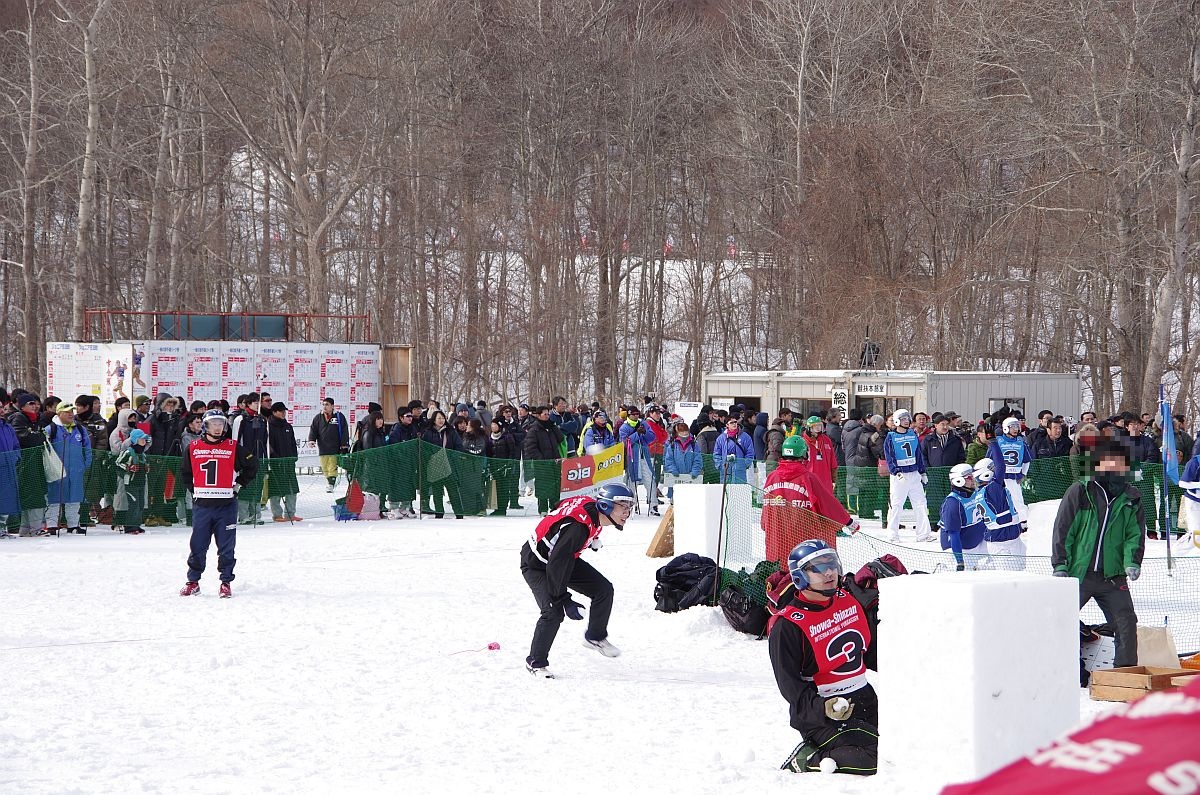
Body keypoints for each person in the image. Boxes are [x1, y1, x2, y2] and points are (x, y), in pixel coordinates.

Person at [769, 539, 878, 775]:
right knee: (876, 759)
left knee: (905, 745)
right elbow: (792, 691)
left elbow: (871, 652)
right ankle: (808, 759)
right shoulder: (787, 627)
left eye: (831, 563)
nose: (828, 572)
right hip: (824, 714)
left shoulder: (849, 600)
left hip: (865, 698)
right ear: (799, 576)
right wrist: (823, 709)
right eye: (817, 567)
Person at [520, 483, 634, 678]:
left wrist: (588, 540)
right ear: (605, 506)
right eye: (622, 506)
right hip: (537, 564)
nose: (627, 512)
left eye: (629, 507)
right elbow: (556, 566)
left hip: (561, 555)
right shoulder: (578, 529)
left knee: (603, 589)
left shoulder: (592, 510)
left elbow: (562, 504)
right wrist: (564, 600)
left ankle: (595, 637)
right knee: (553, 612)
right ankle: (535, 662)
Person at [1051, 442, 1146, 667]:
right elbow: (1063, 528)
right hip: (1078, 572)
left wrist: (1132, 561)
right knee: (1061, 620)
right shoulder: (1081, 490)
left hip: (1112, 576)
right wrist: (1060, 564)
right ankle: (1066, 670)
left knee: (1126, 622)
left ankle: (1125, 674)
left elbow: (1135, 533)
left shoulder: (1132, 497)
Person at [179, 410, 259, 598]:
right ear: (205, 426)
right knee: (198, 545)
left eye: (220, 424)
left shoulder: (233, 447)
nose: (217, 427)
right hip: (202, 506)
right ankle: (193, 581)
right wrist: (196, 490)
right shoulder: (193, 447)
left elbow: (252, 465)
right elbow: (185, 473)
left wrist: (239, 485)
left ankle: (225, 582)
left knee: (226, 546)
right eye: (213, 423)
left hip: (226, 506)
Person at [762, 436, 860, 562]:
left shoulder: (771, 477)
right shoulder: (807, 478)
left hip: (776, 547)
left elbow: (766, 513)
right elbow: (828, 504)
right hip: (803, 549)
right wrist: (848, 522)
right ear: (804, 454)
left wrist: (765, 523)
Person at [883, 409, 932, 543]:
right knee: (897, 505)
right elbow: (889, 456)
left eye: (907, 418)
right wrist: (895, 471)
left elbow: (918, 455)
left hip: (914, 473)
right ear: (897, 420)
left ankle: (923, 533)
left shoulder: (912, 434)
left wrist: (922, 471)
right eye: (903, 418)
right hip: (900, 476)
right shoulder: (891, 437)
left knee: (921, 504)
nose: (907, 421)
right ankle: (893, 534)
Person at [46, 403, 93, 535]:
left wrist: (85, 464)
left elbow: (87, 449)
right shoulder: (51, 429)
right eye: (67, 412)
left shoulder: (80, 429)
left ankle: (73, 524)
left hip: (76, 469)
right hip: (57, 470)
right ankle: (52, 524)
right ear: (59, 413)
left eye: (72, 411)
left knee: (74, 498)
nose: (71, 414)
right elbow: (45, 449)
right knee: (54, 498)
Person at [972, 458, 1027, 570]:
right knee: (1011, 578)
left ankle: (987, 566)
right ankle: (984, 569)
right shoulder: (992, 489)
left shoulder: (986, 490)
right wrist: (993, 443)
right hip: (1003, 543)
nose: (996, 471)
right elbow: (1001, 465)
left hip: (1010, 538)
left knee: (1023, 571)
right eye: (993, 468)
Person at [10, 393, 50, 536]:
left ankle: (26, 529)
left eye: (36, 403)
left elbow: (39, 437)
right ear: (22, 406)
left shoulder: (36, 420)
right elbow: (26, 439)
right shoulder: (19, 418)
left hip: (35, 463)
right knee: (33, 495)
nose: (35, 406)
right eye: (31, 404)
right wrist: (39, 436)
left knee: (35, 494)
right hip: (26, 464)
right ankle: (35, 528)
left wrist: (38, 436)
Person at [938, 464, 991, 571]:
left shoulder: (975, 494)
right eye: (969, 477)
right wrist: (959, 562)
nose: (973, 480)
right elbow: (954, 535)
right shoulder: (953, 504)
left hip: (978, 546)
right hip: (960, 551)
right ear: (959, 481)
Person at [988, 417, 1034, 522]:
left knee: (1017, 499)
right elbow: (989, 460)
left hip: (1014, 477)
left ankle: (1023, 521)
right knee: (998, 499)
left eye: (1017, 426)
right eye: (1012, 426)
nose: (1016, 429)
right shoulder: (998, 441)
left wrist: (1023, 474)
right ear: (1005, 428)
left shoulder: (1021, 442)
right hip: (1000, 477)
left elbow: (1026, 460)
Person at [422, 410, 465, 518]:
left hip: (449, 465)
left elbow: (459, 447)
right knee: (437, 491)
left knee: (453, 490)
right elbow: (424, 449)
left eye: (443, 418)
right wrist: (432, 456)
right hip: (435, 465)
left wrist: (451, 457)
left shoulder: (451, 432)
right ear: (434, 420)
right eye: (439, 418)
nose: (441, 420)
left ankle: (459, 513)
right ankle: (439, 513)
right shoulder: (428, 433)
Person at [618, 406, 660, 515]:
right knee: (632, 480)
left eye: (638, 414)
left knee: (650, 479)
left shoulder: (643, 423)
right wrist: (637, 434)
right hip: (632, 457)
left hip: (644, 456)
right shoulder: (624, 427)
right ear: (629, 415)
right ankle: (633, 505)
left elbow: (652, 437)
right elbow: (625, 443)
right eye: (634, 414)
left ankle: (653, 505)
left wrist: (645, 432)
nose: (636, 416)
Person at [265, 402, 302, 522]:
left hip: (289, 463)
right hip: (276, 463)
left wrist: (294, 457)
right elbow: (268, 445)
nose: (283, 413)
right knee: (276, 490)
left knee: (292, 489)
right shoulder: (268, 426)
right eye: (281, 411)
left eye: (284, 411)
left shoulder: (288, 426)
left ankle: (290, 513)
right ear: (274, 412)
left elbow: (292, 443)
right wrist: (274, 458)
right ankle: (277, 515)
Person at [309, 398, 349, 493]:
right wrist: (311, 440)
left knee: (332, 466)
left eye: (327, 404)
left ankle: (331, 483)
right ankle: (329, 481)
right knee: (325, 467)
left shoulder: (339, 417)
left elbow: (344, 431)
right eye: (323, 404)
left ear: (332, 406)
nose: (325, 406)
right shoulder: (318, 417)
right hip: (323, 447)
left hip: (335, 447)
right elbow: (313, 429)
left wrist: (344, 445)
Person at [487, 418, 520, 516]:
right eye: (492, 424)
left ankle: (503, 508)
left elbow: (512, 452)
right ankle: (497, 508)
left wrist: (509, 465)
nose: (493, 426)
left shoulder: (507, 437)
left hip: (505, 467)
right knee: (496, 488)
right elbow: (489, 452)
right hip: (494, 467)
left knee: (504, 488)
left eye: (495, 425)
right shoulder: (490, 438)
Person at [662, 420, 703, 499]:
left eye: (685, 432)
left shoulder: (694, 444)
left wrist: (695, 471)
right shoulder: (672, 444)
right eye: (681, 432)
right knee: (675, 501)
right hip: (676, 477)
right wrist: (672, 470)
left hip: (690, 477)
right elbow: (668, 460)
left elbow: (698, 459)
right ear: (677, 432)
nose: (684, 434)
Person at [1180, 446, 1200, 546]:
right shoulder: (1195, 462)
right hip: (1194, 501)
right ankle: (1175, 554)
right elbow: (1182, 483)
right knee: (1196, 535)